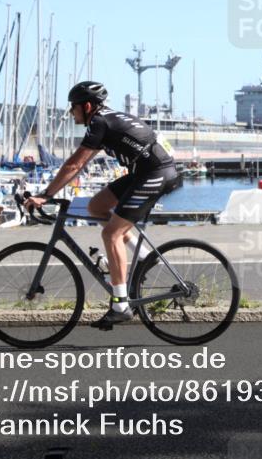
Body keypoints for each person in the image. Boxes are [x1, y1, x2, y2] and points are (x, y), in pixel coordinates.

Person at [24, 81, 178, 329]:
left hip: (155, 173)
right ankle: (145, 258)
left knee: (111, 233)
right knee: (96, 207)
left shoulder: (99, 122)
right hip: (145, 171)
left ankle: (120, 305)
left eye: (73, 107)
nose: (71, 112)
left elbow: (75, 165)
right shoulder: (106, 119)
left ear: (86, 106)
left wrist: (46, 194)